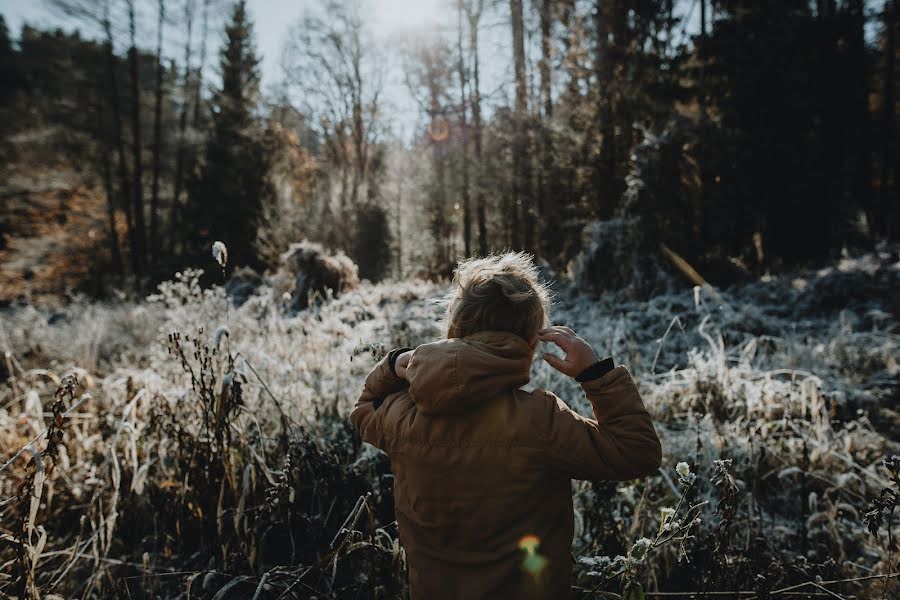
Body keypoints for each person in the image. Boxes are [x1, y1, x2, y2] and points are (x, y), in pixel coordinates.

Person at [350, 252, 662, 600]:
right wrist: (596, 375)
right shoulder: (540, 420)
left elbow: (363, 410)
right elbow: (637, 452)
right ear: (532, 343)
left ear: (453, 330)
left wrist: (393, 365)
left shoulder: (403, 417)